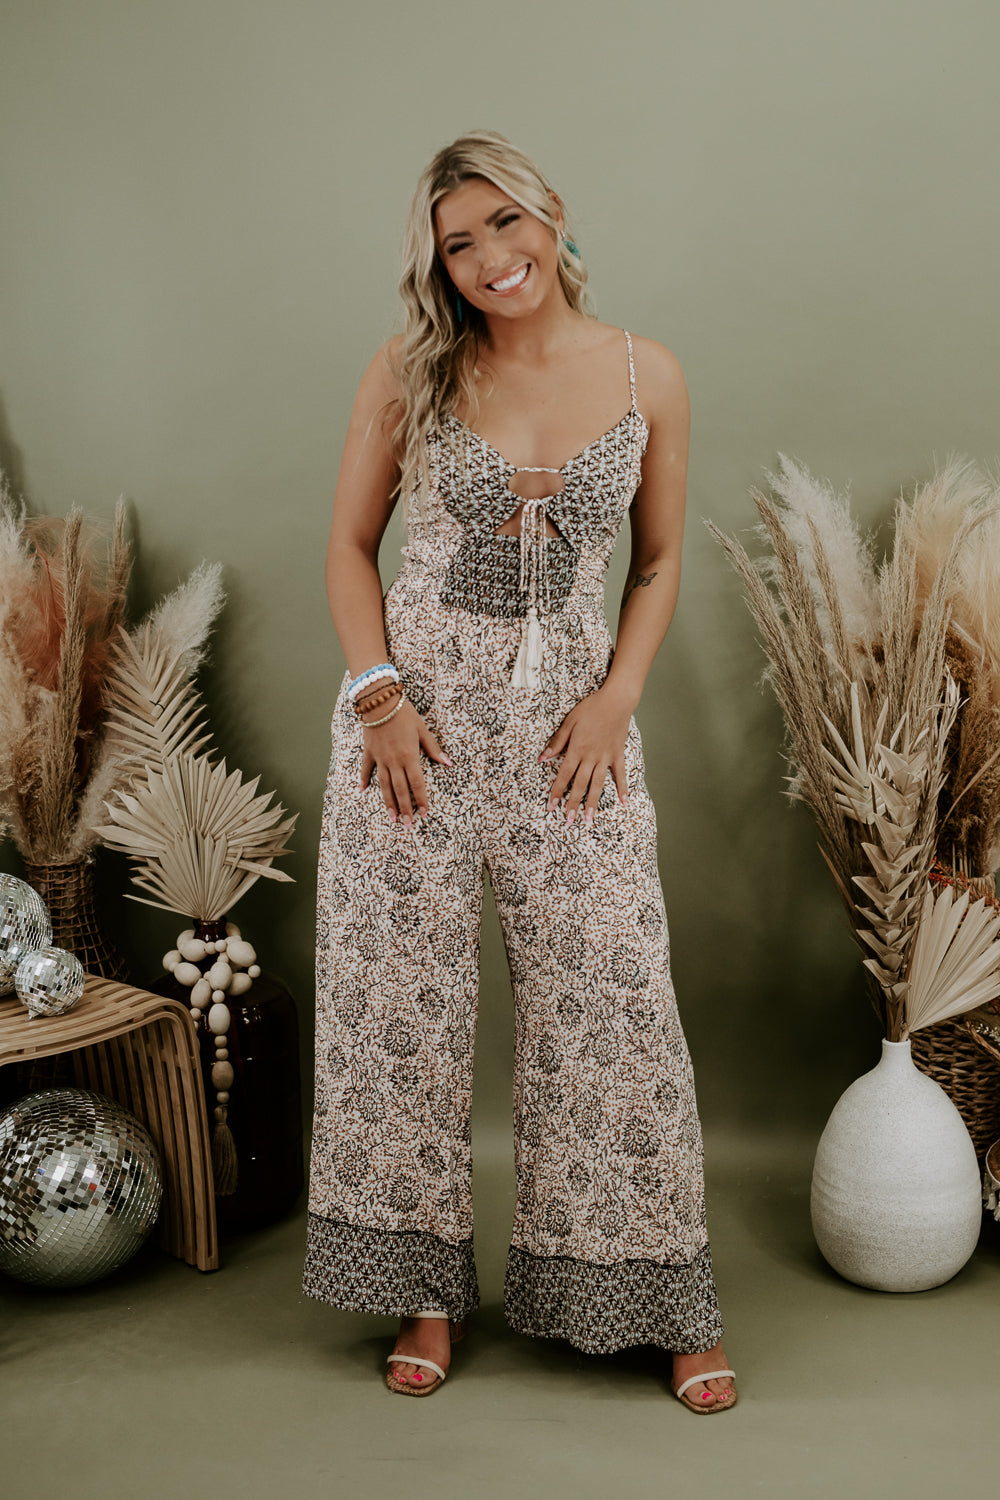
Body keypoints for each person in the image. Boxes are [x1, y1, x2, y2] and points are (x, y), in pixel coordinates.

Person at [301, 130, 737, 1414]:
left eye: (506, 221)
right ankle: (423, 1296)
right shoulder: (409, 372)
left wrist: (619, 696)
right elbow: (347, 547)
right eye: (459, 243)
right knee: (398, 1011)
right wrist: (379, 698)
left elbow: (656, 561)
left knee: (614, 1000)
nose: (492, 256)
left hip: (571, 739)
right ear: (437, 266)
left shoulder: (648, 373)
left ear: (550, 215)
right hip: (412, 741)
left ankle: (659, 1296)